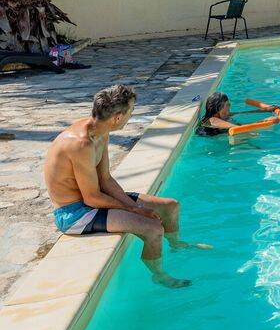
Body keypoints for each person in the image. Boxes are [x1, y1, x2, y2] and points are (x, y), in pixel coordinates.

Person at [43, 84, 208, 288]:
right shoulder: (81, 144)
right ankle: (159, 275)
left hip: (93, 198)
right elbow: (91, 199)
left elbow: (105, 179)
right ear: (118, 118)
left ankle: (176, 245)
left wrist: (136, 208)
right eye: (131, 110)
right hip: (74, 213)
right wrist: (134, 210)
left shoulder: (101, 131)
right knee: (153, 228)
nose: (132, 114)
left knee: (171, 206)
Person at [195, 92, 280, 137]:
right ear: (219, 109)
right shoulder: (213, 120)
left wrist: (265, 110)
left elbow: (242, 113)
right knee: (254, 135)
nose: (230, 106)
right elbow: (240, 128)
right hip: (213, 141)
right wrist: (264, 121)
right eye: (227, 104)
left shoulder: (222, 115)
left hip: (222, 136)